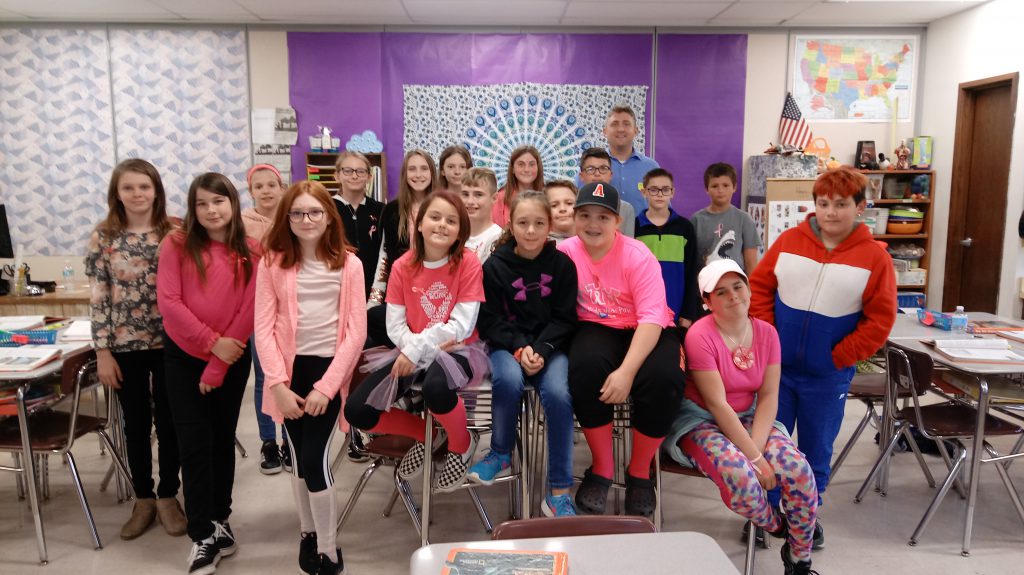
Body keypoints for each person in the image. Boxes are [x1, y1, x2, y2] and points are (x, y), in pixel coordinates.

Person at [749, 166, 897, 549]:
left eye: (841, 204)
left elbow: (880, 320)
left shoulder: (874, 258)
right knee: (766, 444)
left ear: (860, 207)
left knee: (816, 452)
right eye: (824, 203)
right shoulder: (789, 241)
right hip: (777, 373)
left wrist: (839, 356)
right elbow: (761, 287)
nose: (831, 212)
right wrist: (769, 338)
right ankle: (764, 515)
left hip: (827, 376)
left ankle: (805, 519)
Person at [664, 259, 819, 575]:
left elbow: (769, 395)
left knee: (799, 471)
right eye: (720, 292)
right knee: (741, 478)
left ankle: (800, 559)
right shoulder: (699, 335)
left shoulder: (767, 333)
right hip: (702, 419)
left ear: (749, 289)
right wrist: (754, 460)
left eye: (738, 286)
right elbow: (716, 403)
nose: (733, 295)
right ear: (707, 302)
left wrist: (758, 452)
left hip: (750, 415)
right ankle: (776, 525)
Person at [256, 181, 367, 575]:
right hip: (288, 375)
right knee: (299, 463)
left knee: (316, 462)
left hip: (327, 373)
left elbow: (356, 332)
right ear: (287, 218)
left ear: (328, 217)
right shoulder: (271, 263)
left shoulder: (349, 265)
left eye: (315, 212)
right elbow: (264, 328)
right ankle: (307, 531)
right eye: (298, 213)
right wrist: (277, 386)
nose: (307, 220)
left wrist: (328, 386)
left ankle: (329, 548)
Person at [345, 190, 488, 492]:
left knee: (437, 388)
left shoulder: (468, 263)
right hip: (409, 348)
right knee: (358, 410)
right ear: (419, 224)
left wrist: (416, 349)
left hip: (458, 348)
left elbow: (461, 325)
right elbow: (394, 323)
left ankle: (461, 444)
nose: (441, 225)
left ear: (461, 231)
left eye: (451, 221)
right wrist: (413, 349)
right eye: (434, 217)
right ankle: (427, 435)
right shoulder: (403, 265)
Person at [157, 172, 261, 575]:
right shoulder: (177, 244)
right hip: (183, 357)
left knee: (221, 440)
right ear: (192, 209)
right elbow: (169, 303)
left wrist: (219, 362)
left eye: (218, 201)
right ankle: (201, 534)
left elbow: (249, 310)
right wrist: (209, 344)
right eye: (202, 203)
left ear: (233, 205)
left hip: (231, 359)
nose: (211, 210)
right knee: (194, 443)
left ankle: (220, 518)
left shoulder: (252, 251)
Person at [559, 182, 683, 519]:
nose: (593, 224)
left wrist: (627, 371)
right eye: (585, 215)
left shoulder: (637, 255)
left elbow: (653, 317)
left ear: (617, 221)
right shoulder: (566, 253)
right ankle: (601, 466)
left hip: (645, 327)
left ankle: (639, 472)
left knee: (664, 377)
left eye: (603, 216)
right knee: (584, 366)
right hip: (597, 326)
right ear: (573, 218)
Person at [85, 158, 186, 540]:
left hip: (172, 344)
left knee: (171, 421)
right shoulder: (104, 237)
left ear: (156, 190)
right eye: (129, 188)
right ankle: (143, 497)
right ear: (117, 194)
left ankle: (167, 496)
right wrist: (103, 351)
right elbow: (98, 299)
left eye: (145, 187)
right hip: (124, 346)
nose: (138, 194)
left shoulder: (175, 231)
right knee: (135, 425)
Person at [470, 191, 579, 516]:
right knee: (507, 379)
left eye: (538, 223)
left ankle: (558, 490)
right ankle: (501, 451)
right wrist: (520, 346)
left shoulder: (562, 264)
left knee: (559, 395)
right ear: (510, 224)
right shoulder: (495, 265)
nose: (531, 231)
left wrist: (542, 349)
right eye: (523, 223)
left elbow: (565, 317)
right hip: (508, 345)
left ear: (549, 225)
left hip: (551, 346)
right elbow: (488, 319)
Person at [241, 164, 289, 475]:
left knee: (289, 376)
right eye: (259, 186)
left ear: (281, 186)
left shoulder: (291, 219)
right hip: (256, 311)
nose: (267, 191)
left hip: (288, 311)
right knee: (265, 377)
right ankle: (268, 440)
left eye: (272, 184)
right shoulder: (241, 225)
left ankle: (290, 440)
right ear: (251, 192)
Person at [367, 149, 437, 347]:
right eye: (412, 169)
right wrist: (374, 299)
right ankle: (412, 347)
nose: (418, 174)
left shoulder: (442, 206)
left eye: (424, 169)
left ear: (432, 173)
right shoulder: (391, 210)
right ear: (405, 174)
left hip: (435, 290)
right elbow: (384, 257)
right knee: (373, 317)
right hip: (403, 290)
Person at [634, 168, 700, 328]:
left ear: (673, 192)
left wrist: (688, 312)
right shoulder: (634, 227)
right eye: (654, 190)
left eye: (665, 189)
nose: (660, 194)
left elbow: (692, 272)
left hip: (677, 310)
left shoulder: (685, 228)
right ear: (644, 192)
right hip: (642, 310)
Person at [332, 151, 384, 299]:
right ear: (337, 175)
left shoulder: (381, 210)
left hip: (373, 289)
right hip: (337, 286)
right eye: (347, 171)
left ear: (369, 177)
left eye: (360, 171)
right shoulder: (326, 208)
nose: (354, 176)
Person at [691, 162, 761, 273]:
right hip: (705, 283)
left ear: (734, 187)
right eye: (714, 186)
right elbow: (691, 261)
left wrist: (752, 289)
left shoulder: (744, 219)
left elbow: (751, 263)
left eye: (725, 185)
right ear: (706, 189)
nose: (720, 190)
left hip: (735, 282)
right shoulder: (696, 220)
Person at [603, 105, 659, 216]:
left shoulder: (651, 168)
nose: (620, 129)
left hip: (643, 232)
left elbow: (663, 209)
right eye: (614, 124)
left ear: (636, 131)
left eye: (626, 124)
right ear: (605, 131)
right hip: (602, 232)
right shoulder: (592, 167)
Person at [579, 147, 635, 237]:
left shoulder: (626, 208)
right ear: (581, 176)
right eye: (590, 169)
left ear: (611, 175)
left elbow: (629, 244)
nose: (597, 174)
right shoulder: (572, 206)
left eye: (603, 168)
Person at [493, 145, 544, 228]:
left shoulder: (548, 196)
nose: (527, 169)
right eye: (521, 164)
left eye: (532, 164)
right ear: (513, 168)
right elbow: (496, 231)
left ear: (538, 167)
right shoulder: (500, 198)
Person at [459, 167, 503, 263]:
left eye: (478, 194)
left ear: (494, 198)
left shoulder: (499, 239)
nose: (470, 201)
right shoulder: (455, 234)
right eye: (465, 194)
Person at [543, 179, 577, 245]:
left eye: (569, 203)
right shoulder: (540, 246)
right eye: (554, 205)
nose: (562, 209)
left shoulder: (591, 241)